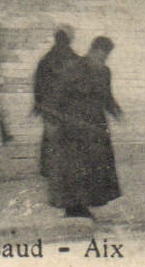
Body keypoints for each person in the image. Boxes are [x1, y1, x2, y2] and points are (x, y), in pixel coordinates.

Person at [45, 36, 123, 218]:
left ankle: (83, 205)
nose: (103, 59)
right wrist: (52, 120)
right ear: (93, 50)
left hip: (96, 127)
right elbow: (56, 95)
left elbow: (107, 97)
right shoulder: (74, 68)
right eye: (101, 54)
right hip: (74, 127)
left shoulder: (104, 72)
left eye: (106, 56)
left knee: (94, 168)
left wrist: (116, 111)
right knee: (74, 168)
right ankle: (73, 207)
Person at [31, 27, 78, 176]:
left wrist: (38, 102)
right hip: (67, 105)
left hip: (50, 104)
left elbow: (38, 82)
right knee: (67, 134)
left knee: (50, 135)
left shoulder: (46, 59)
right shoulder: (74, 58)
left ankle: (47, 167)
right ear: (69, 40)